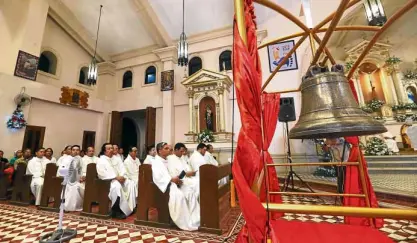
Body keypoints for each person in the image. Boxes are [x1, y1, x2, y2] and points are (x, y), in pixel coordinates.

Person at [152, 142, 200, 231]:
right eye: (166, 148)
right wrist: (171, 179)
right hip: (166, 187)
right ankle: (184, 222)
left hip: (174, 183)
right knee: (180, 197)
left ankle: (195, 219)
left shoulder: (167, 159)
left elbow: (172, 173)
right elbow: (158, 178)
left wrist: (177, 179)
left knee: (190, 192)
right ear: (160, 151)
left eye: (169, 148)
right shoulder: (156, 162)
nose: (169, 150)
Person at [96, 143, 136, 219]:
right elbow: (102, 173)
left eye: (112, 148)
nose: (111, 150)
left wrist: (122, 176)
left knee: (131, 183)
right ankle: (116, 210)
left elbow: (122, 169)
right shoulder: (101, 160)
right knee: (116, 187)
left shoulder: (117, 158)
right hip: (108, 181)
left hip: (120, 179)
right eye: (109, 149)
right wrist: (115, 177)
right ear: (104, 151)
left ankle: (130, 208)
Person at [58, 145, 83, 211]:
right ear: (71, 151)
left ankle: (76, 206)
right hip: (67, 179)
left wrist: (81, 176)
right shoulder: (66, 159)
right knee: (71, 188)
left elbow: (81, 169)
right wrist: (64, 177)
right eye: (74, 150)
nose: (75, 151)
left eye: (77, 150)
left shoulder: (79, 159)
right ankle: (67, 207)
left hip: (77, 179)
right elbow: (62, 168)